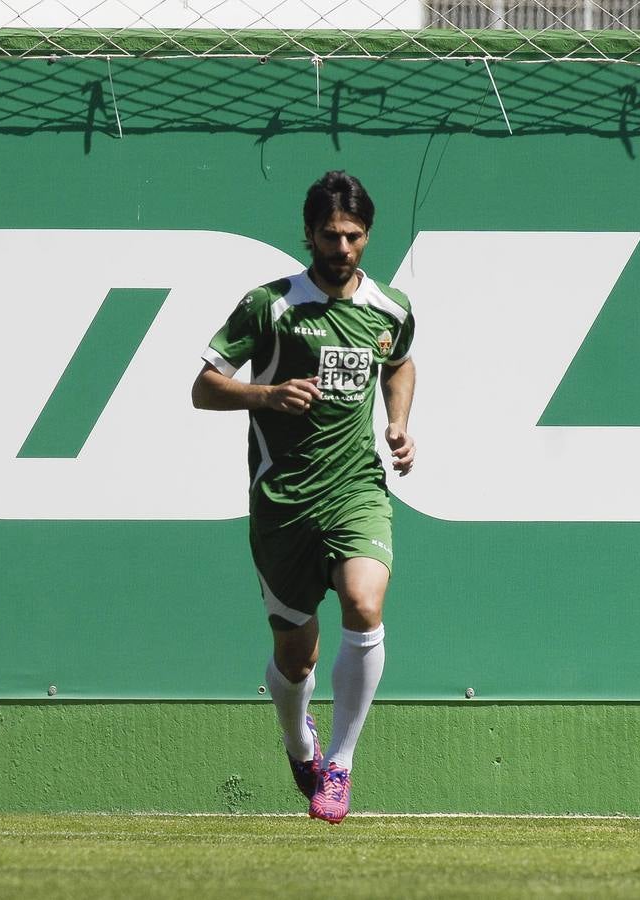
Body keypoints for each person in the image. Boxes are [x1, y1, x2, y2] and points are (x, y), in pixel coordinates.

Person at [191, 171, 415, 824]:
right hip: (283, 502)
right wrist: (265, 394)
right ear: (308, 234)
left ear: (366, 236)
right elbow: (203, 387)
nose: (341, 247)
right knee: (296, 654)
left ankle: (339, 764)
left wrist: (398, 421)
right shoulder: (269, 305)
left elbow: (399, 361)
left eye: (352, 236)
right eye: (328, 235)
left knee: (363, 603)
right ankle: (299, 744)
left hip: (356, 491)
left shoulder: (390, 308)